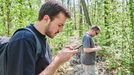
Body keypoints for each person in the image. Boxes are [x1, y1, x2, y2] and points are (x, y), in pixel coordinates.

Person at [6, 1, 77, 75]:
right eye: (59, 25)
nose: (61, 30)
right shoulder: (24, 39)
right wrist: (57, 61)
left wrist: (61, 56)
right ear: (46, 19)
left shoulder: (42, 40)